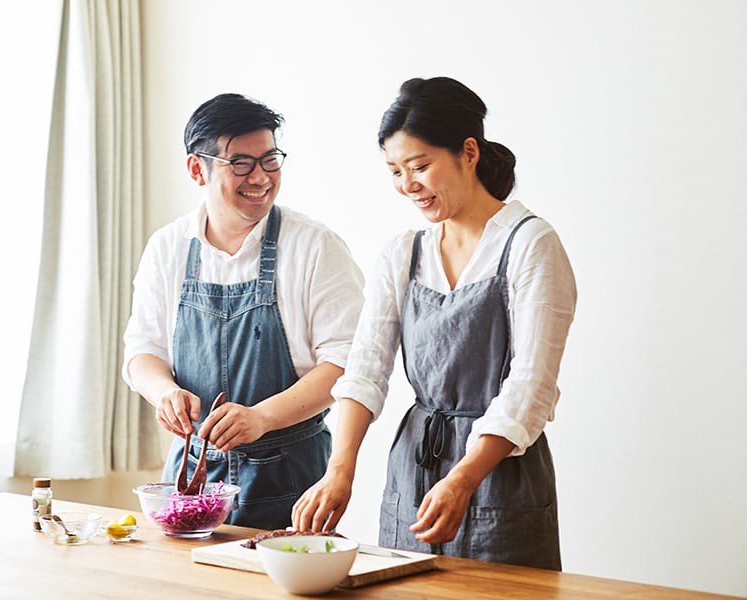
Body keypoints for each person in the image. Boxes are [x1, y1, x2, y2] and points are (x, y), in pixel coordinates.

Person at [291, 77, 577, 570]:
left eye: (420, 166)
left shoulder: (530, 244)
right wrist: (341, 470)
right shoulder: (403, 253)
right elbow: (365, 371)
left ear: (468, 152)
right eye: (396, 171)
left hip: (498, 469)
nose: (408, 185)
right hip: (414, 467)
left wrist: (465, 477)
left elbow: (531, 386)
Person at [122, 93, 365, 530]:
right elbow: (142, 350)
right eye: (241, 163)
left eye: (270, 160)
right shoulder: (167, 247)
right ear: (198, 168)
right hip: (192, 477)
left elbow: (346, 363)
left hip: (291, 477)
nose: (261, 177)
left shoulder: (315, 247)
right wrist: (163, 393)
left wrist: (262, 418)